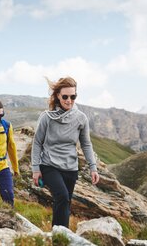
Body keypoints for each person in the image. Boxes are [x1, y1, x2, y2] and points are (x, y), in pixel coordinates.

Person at [31, 77, 100, 227]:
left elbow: (86, 144)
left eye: (73, 96)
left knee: (64, 204)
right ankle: (61, 237)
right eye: (65, 97)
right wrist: (36, 169)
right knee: (62, 196)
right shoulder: (46, 117)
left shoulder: (81, 118)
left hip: (70, 168)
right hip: (49, 165)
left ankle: (59, 237)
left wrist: (93, 167)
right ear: (57, 96)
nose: (69, 100)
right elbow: (37, 143)